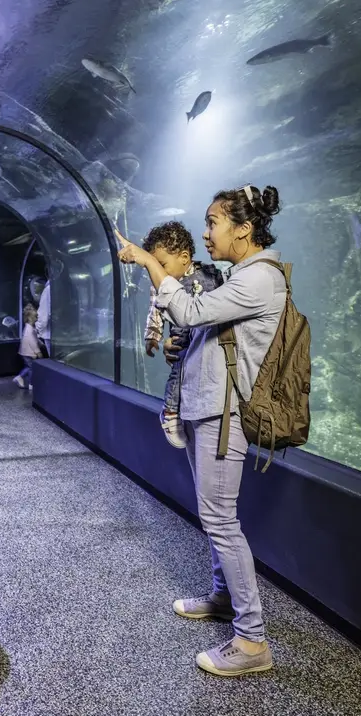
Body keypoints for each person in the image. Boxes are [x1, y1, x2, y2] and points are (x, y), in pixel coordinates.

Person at [115, 184, 285, 677]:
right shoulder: (240, 276)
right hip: (206, 408)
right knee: (213, 517)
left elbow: (189, 311)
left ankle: (252, 641)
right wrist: (182, 348)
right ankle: (224, 598)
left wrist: (149, 261)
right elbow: (210, 332)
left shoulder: (259, 278)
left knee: (221, 521)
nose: (206, 233)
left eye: (213, 223)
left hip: (224, 416)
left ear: (244, 229)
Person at [141, 222, 224, 448]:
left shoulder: (210, 274)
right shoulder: (160, 283)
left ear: (184, 257)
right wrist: (153, 336)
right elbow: (155, 309)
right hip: (182, 334)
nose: (156, 271)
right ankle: (170, 411)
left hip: (207, 336)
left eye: (161, 265)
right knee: (179, 371)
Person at [13, 304, 43, 390]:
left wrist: (41, 343)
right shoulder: (29, 329)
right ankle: (25, 380)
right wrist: (38, 352)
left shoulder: (29, 328)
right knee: (30, 368)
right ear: (30, 318)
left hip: (26, 352)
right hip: (28, 353)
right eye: (35, 317)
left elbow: (35, 338)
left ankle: (26, 381)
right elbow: (32, 342)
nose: (37, 318)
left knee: (29, 367)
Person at [35, 279, 51, 356]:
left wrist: (38, 330)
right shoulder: (67, 287)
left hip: (50, 335)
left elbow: (43, 318)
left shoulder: (48, 290)